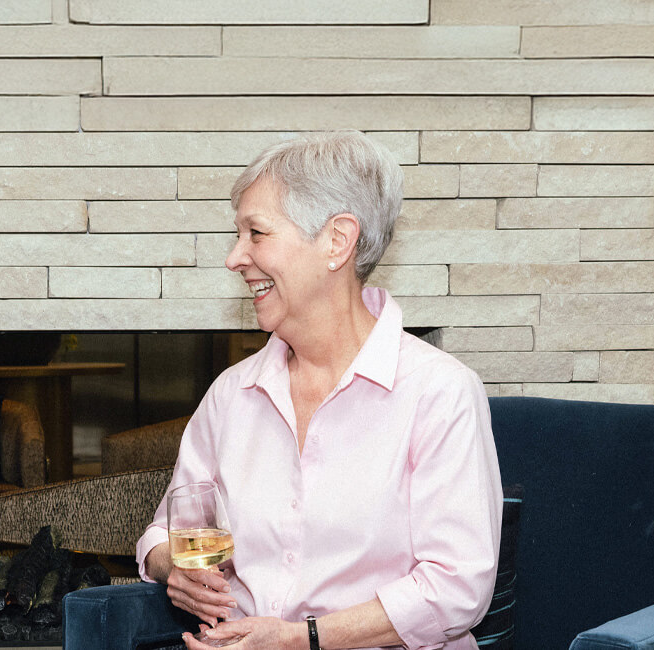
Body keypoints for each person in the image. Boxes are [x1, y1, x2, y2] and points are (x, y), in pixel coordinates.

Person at [137, 131, 502, 650]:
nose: (235, 258)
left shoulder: (439, 393)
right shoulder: (231, 395)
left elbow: (457, 587)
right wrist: (173, 564)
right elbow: (161, 533)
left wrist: (298, 639)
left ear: (337, 241)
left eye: (256, 233)